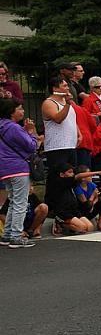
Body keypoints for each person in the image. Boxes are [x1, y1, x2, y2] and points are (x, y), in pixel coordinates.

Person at [0, 98, 39, 248]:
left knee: (12, 201)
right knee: (20, 203)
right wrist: (30, 132)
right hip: (18, 167)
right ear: (11, 112)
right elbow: (31, 146)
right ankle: (16, 236)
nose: (23, 111)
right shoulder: (13, 128)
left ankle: (7, 235)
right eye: (20, 109)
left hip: (5, 168)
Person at [41, 76, 81, 208]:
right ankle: (52, 205)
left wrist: (79, 134)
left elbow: (71, 120)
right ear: (55, 88)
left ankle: (68, 202)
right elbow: (58, 118)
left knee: (71, 175)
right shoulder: (49, 103)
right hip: (57, 146)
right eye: (64, 86)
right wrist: (68, 104)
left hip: (70, 144)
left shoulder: (66, 102)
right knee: (56, 177)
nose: (67, 88)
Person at [48, 163, 95, 235]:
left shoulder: (72, 184)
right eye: (69, 172)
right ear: (62, 174)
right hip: (63, 212)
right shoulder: (58, 184)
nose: (72, 174)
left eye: (72, 172)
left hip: (74, 211)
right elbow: (79, 176)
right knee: (82, 228)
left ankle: (71, 226)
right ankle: (60, 224)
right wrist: (99, 172)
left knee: (90, 227)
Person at [74, 164, 101, 230]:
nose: (91, 176)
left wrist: (93, 204)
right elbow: (85, 204)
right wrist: (93, 195)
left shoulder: (91, 184)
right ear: (83, 178)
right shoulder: (78, 188)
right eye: (89, 175)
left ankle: (100, 223)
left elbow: (97, 197)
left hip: (90, 207)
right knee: (88, 205)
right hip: (82, 210)